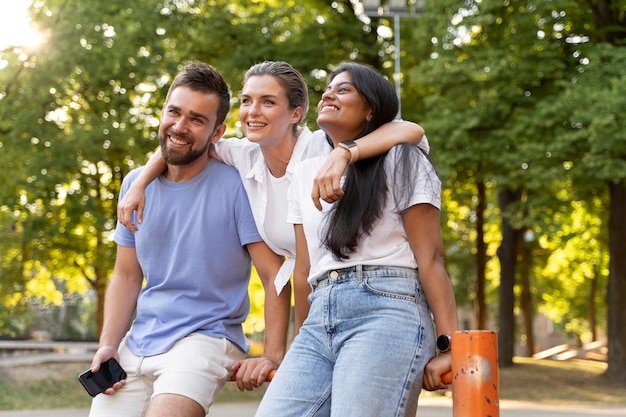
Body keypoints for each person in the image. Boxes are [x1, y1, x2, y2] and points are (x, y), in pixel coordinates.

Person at [117, 61, 430, 380]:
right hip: (321, 307)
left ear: (296, 114)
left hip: (377, 297)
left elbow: (410, 130)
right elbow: (182, 140)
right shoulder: (244, 155)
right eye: (246, 101)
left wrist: (343, 153)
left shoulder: (321, 145)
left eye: (268, 102)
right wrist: (140, 184)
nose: (253, 111)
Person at [254, 62, 458, 417]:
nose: (329, 93)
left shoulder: (402, 157)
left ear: (371, 110)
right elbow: (303, 273)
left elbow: (432, 259)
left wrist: (450, 344)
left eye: (344, 89)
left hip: (387, 309)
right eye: (328, 88)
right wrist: (302, 338)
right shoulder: (303, 175)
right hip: (320, 319)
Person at [87, 61, 287, 417]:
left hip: (206, 338)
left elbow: (275, 275)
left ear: (217, 132)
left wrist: (272, 353)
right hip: (140, 341)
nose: (180, 127)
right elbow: (127, 276)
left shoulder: (236, 184)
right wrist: (108, 344)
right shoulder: (136, 184)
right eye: (174, 112)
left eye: (196, 119)